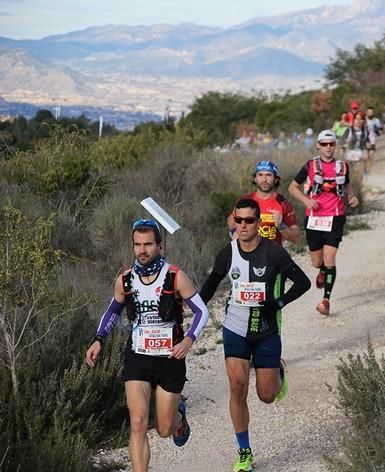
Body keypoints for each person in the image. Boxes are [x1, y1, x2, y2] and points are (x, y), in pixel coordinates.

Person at [85, 219, 209, 472]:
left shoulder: (175, 276)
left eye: (148, 244)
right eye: (137, 245)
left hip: (169, 359)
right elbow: (112, 311)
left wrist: (188, 340)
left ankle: (178, 418)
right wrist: (99, 339)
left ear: (159, 246)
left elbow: (202, 311)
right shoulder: (125, 280)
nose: (142, 250)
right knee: (138, 422)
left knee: (163, 429)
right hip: (138, 357)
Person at [200, 198, 311, 472]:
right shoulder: (227, 253)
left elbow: (303, 283)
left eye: (249, 221)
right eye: (239, 221)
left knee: (266, 395)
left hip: (266, 331)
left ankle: (279, 371)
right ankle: (244, 451)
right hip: (235, 328)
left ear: (259, 223)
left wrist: (278, 303)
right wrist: (191, 311)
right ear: (234, 222)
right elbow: (210, 286)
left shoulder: (273, 253)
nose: (243, 226)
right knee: (237, 387)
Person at [288, 129, 359, 316]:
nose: (328, 148)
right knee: (316, 261)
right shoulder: (310, 166)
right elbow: (292, 187)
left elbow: (347, 185)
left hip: (335, 217)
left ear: (335, 146)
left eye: (332, 144)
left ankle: (326, 300)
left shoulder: (342, 166)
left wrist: (352, 197)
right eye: (325, 144)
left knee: (330, 258)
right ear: (318, 145)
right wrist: (306, 201)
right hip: (314, 218)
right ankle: (322, 271)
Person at [228, 160, 300, 246]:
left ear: (276, 179)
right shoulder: (245, 200)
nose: (264, 179)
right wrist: (233, 232)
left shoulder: (283, 204)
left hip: (272, 255)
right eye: (260, 175)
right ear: (255, 178)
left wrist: (281, 226)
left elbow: (295, 238)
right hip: (247, 253)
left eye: (268, 175)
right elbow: (231, 219)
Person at [341, 111, 369, 181]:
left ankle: (358, 189)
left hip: (360, 155)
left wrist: (366, 151)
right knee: (350, 177)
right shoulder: (349, 130)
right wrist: (346, 142)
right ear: (354, 120)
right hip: (349, 156)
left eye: (361, 119)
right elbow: (341, 143)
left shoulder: (365, 131)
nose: (358, 121)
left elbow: (366, 143)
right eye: (357, 119)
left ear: (363, 121)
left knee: (360, 176)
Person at [364, 106, 381, 175]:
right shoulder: (364, 120)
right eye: (369, 112)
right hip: (365, 140)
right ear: (366, 112)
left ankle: (369, 170)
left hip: (373, 140)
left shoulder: (376, 120)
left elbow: (380, 131)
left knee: (371, 156)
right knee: (365, 156)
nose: (370, 113)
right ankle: (365, 170)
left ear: (373, 113)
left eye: (371, 112)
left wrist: (378, 131)